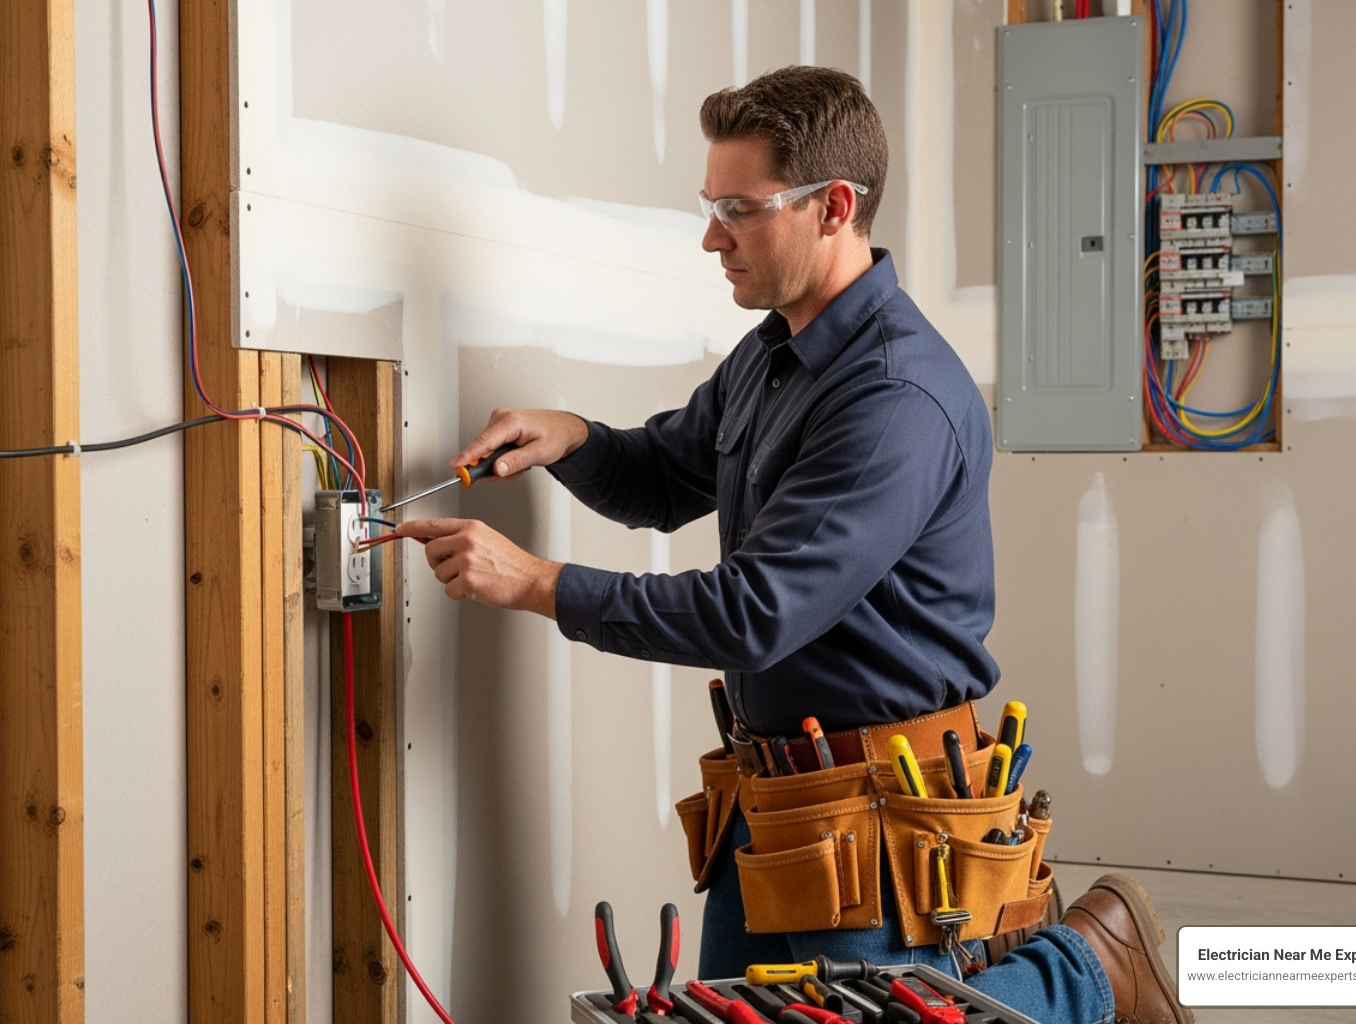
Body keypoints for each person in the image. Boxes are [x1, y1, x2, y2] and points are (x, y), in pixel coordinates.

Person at [397, 66, 1191, 1024]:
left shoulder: (895, 397)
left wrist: (536, 582)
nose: (712, 236)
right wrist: (572, 439)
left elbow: (753, 611)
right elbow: (668, 475)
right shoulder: (775, 352)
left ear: (834, 207)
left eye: (739, 208)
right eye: (710, 206)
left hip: (878, 819)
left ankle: (1093, 964)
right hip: (773, 810)